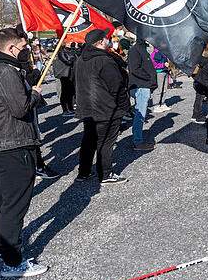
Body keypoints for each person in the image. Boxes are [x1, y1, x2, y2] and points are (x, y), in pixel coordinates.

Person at [0, 28, 49, 277]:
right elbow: (20, 108)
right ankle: (13, 260)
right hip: (13, 143)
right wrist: (35, 94)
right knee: (13, 204)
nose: (26, 50)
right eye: (23, 46)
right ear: (11, 49)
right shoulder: (6, 72)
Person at [75, 29, 130, 186]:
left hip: (88, 108)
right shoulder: (105, 61)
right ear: (99, 42)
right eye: (106, 39)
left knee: (89, 140)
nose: (108, 41)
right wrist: (125, 107)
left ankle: (84, 172)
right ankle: (105, 174)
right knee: (106, 142)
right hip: (105, 109)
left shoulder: (81, 59)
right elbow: (117, 86)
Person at [127, 39, 157, 151]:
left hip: (143, 86)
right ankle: (137, 141)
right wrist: (149, 79)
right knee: (140, 114)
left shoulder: (142, 49)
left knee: (140, 114)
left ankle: (137, 139)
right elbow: (135, 69)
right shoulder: (135, 50)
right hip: (141, 86)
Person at [52, 41, 77, 115]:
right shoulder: (61, 52)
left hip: (71, 73)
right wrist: (73, 58)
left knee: (71, 92)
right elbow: (67, 61)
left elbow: (76, 58)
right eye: (67, 43)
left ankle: (71, 107)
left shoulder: (72, 51)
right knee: (64, 92)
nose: (69, 44)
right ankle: (65, 109)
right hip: (64, 74)